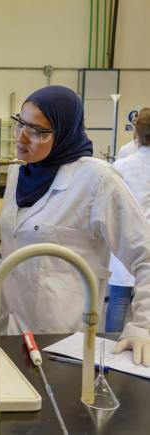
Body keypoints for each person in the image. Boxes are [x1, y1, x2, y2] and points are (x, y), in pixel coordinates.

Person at [0, 85, 150, 366]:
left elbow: (146, 256)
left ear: (65, 133)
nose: (22, 138)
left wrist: (143, 326)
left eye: (37, 131)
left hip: (67, 344)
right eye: (21, 123)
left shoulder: (97, 180)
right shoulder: (19, 172)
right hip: (12, 335)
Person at [107, 108, 150, 332]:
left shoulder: (122, 164)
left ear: (137, 132)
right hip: (144, 242)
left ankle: (111, 342)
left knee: (119, 299)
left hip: (127, 237)